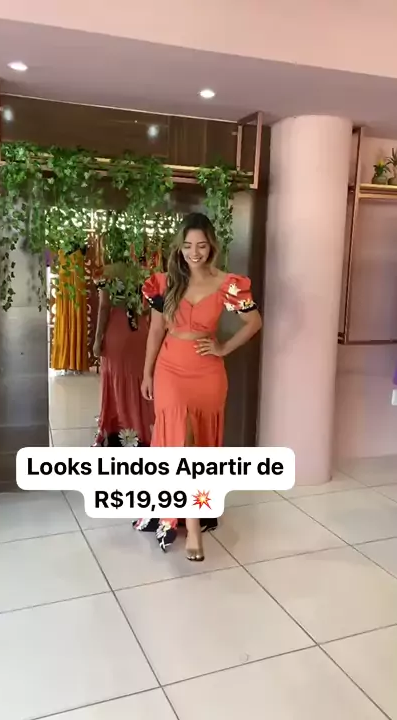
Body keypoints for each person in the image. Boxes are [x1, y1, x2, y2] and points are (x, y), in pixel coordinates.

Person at [133, 212, 262, 560]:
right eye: (188, 245)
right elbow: (155, 331)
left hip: (207, 373)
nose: (194, 252)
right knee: (182, 442)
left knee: (198, 445)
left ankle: (191, 512)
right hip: (170, 369)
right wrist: (147, 373)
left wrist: (223, 347)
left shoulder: (229, 284)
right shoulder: (163, 283)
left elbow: (254, 322)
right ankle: (191, 528)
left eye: (201, 245)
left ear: (212, 247)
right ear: (179, 246)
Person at [92, 261, 154, 447]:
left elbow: (104, 307)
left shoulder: (106, 272)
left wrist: (97, 340)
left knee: (115, 381)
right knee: (137, 381)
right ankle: (140, 431)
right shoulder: (145, 272)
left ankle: (116, 433)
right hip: (140, 332)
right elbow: (148, 308)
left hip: (116, 333)